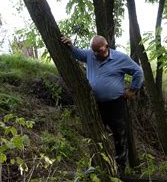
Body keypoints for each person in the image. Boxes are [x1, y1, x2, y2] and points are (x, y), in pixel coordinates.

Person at [60, 35, 143, 174]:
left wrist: (132, 90)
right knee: (96, 135)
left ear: (107, 46)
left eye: (100, 51)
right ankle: (95, 167)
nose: (98, 54)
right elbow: (77, 53)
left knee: (119, 135)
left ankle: (120, 169)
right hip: (96, 105)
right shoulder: (90, 55)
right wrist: (70, 46)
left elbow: (138, 72)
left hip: (116, 105)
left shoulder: (120, 58)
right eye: (95, 52)